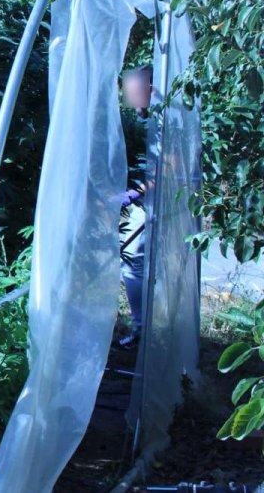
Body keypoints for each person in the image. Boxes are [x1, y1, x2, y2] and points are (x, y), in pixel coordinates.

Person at [116, 64, 152, 350]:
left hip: (149, 203)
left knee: (133, 264)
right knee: (131, 264)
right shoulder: (142, 118)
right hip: (140, 201)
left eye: (131, 90)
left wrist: (133, 194)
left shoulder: (161, 119)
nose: (127, 97)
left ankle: (142, 329)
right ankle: (144, 327)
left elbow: (169, 166)